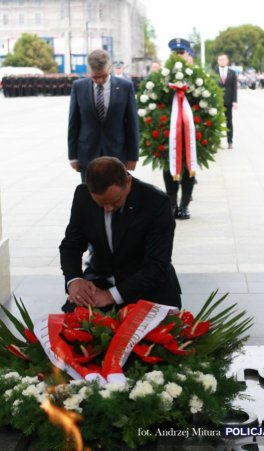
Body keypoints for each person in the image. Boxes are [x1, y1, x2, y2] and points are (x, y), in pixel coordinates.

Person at [60, 157, 182, 312]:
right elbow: (71, 245)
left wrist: (111, 296)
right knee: (69, 331)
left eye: (115, 201)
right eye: (101, 203)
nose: (108, 208)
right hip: (100, 282)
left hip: (147, 287)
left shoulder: (156, 202)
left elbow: (157, 264)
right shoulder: (83, 196)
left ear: (128, 181)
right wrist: (74, 280)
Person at [68, 49, 139, 181]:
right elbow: (74, 123)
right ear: (89, 71)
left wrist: (133, 156)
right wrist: (73, 156)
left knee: (116, 197)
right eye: (95, 77)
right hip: (87, 154)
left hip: (117, 154)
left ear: (110, 68)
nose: (100, 80)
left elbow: (132, 124)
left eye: (104, 76)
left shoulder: (125, 87)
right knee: (89, 196)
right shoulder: (79, 87)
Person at [163, 38, 196, 220]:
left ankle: (184, 205)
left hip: (190, 132)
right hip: (170, 133)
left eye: (181, 53)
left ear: (187, 54)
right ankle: (171, 204)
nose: (178, 56)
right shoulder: (163, 75)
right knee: (169, 167)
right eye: (175, 53)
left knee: (189, 167)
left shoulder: (195, 76)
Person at [217, 54, 238, 149]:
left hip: (229, 101)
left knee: (229, 121)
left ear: (227, 61)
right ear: (218, 61)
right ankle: (216, 141)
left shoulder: (232, 73)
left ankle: (230, 141)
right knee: (216, 121)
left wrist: (235, 101)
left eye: (224, 59)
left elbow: (234, 88)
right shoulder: (214, 72)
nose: (222, 61)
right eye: (220, 60)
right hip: (217, 101)